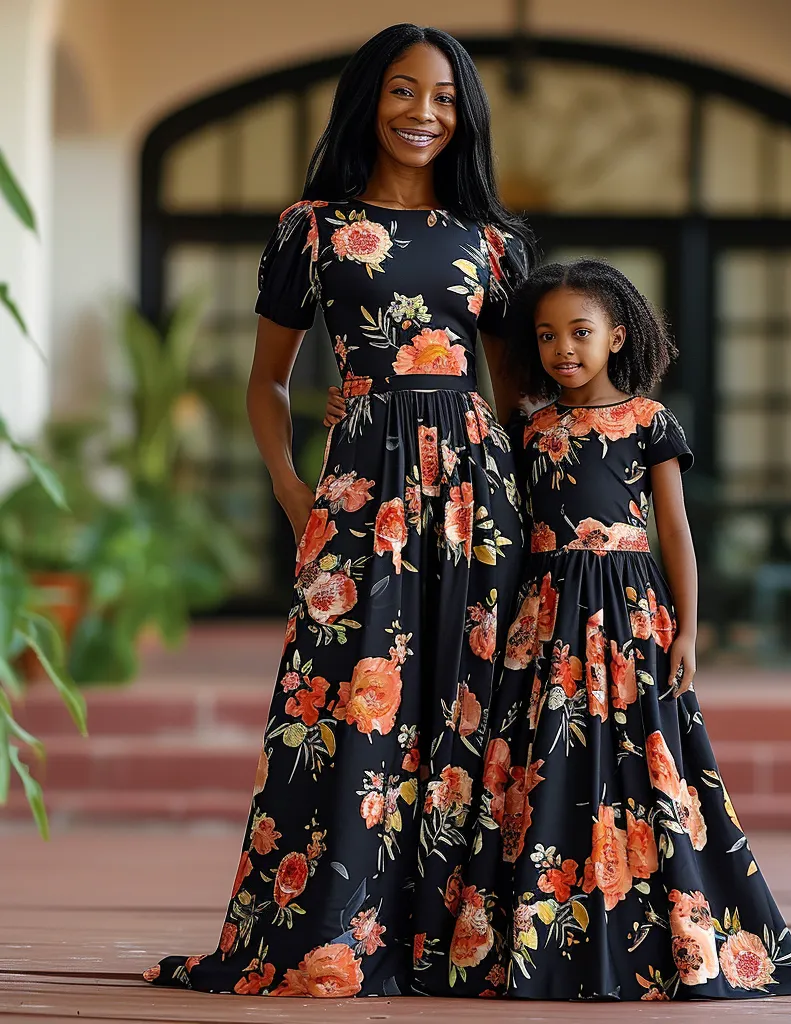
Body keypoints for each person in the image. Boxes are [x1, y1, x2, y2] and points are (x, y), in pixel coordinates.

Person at [143, 24, 533, 998]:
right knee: (340, 702)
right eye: (404, 92)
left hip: (474, 493)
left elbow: (519, 396)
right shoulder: (309, 227)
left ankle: (458, 935)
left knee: (464, 701)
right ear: (369, 99)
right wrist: (289, 488)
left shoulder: (491, 242)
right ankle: (333, 929)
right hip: (358, 488)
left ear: (464, 116)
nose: (424, 115)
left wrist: (549, 512)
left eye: (444, 99)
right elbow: (267, 382)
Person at [431, 258, 791, 999]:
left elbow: (675, 533)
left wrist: (688, 632)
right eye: (546, 336)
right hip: (544, 616)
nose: (562, 350)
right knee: (542, 766)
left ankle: (659, 936)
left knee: (647, 768)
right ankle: (544, 943)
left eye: (580, 332)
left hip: (631, 616)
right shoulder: (528, 427)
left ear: (619, 335)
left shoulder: (648, 422)